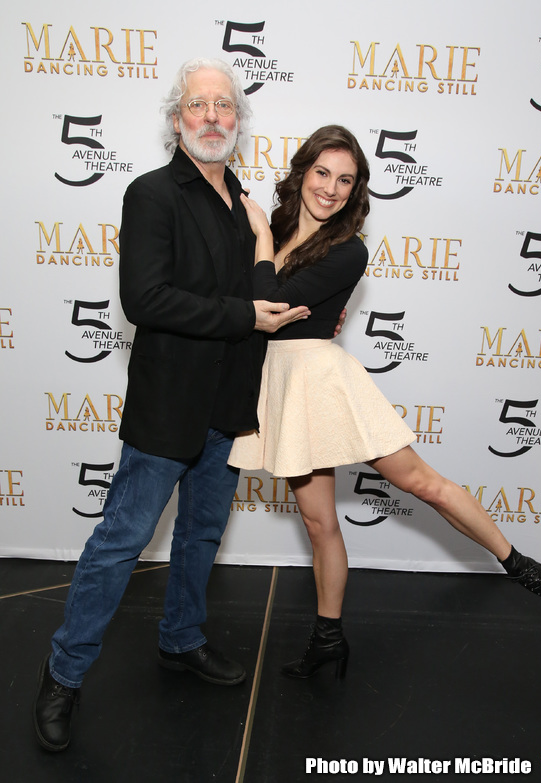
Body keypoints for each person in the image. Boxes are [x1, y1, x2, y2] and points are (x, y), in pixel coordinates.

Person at [228, 124, 541, 680]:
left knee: (421, 482)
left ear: (356, 190)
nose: (331, 188)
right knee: (319, 525)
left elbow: (268, 302)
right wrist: (262, 254)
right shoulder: (270, 228)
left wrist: (262, 253)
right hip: (283, 385)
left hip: (323, 379)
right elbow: (242, 304)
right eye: (323, 173)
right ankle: (328, 638)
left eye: (346, 180)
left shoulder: (347, 251)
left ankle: (523, 566)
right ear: (302, 173)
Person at [33, 57, 311, 752]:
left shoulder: (246, 204)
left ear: (239, 122)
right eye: (198, 104)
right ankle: (64, 675)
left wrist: (285, 304)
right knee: (120, 542)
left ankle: (181, 639)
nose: (213, 115)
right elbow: (146, 299)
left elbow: (262, 293)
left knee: (199, 539)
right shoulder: (151, 194)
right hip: (166, 410)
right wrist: (247, 315)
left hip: (228, 409)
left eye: (225, 105)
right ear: (176, 118)